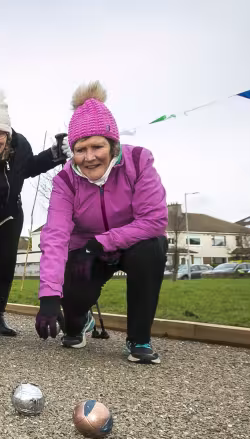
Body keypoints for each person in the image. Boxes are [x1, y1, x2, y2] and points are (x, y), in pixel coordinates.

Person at [35, 82, 168, 364]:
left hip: (133, 244)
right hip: (86, 252)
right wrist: (48, 296)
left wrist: (102, 242)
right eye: (80, 149)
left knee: (152, 247)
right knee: (70, 312)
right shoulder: (65, 181)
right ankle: (80, 321)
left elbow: (154, 220)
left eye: (97, 146)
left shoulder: (138, 161)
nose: (89, 157)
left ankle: (139, 338)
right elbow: (56, 236)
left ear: (113, 144)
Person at [0, 89, 70, 343]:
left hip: (9, 213)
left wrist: (54, 154)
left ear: (8, 133)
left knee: (6, 262)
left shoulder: (20, 146)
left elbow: (28, 168)